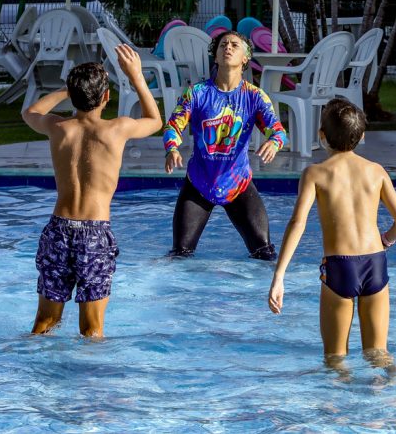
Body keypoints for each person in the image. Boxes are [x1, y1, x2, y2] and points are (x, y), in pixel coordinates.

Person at [22, 53, 163, 338]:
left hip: (58, 229)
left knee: (44, 323)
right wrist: (136, 75)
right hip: (94, 235)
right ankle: (88, 382)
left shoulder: (58, 128)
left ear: (73, 96)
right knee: (92, 329)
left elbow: (30, 112)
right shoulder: (116, 129)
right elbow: (155, 120)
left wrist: (68, 90)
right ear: (106, 97)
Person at [268, 99, 396, 363]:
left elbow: (297, 223)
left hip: (340, 266)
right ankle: (392, 397)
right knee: (378, 354)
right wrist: (386, 240)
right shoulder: (376, 172)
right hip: (375, 262)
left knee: (335, 359)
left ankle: (335, 404)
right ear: (362, 136)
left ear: (322, 136)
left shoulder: (315, 174)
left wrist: (279, 276)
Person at [164, 30, 288, 259]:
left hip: (238, 184)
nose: (227, 48)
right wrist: (172, 148)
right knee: (179, 255)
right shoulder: (197, 93)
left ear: (245, 58)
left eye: (234, 45)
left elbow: (279, 131)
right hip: (199, 184)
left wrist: (274, 142)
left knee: (265, 253)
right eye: (222, 45)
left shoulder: (255, 97)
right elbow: (173, 126)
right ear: (216, 57)